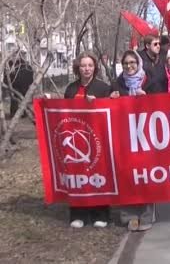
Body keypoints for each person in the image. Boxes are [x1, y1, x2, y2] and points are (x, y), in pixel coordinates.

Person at [64, 52, 112, 228]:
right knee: (77, 175)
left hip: (96, 138)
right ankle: (78, 214)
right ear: (78, 68)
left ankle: (101, 213)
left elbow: (109, 112)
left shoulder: (102, 88)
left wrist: (98, 103)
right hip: (75, 138)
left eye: (90, 65)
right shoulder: (71, 88)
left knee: (98, 175)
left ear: (95, 67)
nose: (86, 69)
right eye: (83, 65)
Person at [110, 50, 155, 231]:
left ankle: (146, 214)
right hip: (124, 136)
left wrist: (147, 99)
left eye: (133, 63)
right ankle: (129, 215)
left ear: (139, 63)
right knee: (126, 174)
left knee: (145, 174)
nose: (129, 66)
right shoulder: (117, 83)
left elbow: (162, 104)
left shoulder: (149, 81)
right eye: (126, 63)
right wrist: (112, 99)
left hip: (146, 135)